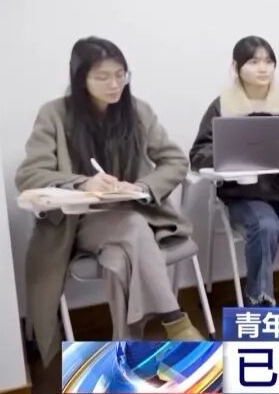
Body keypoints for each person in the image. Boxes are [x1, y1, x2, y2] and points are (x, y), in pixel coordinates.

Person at [16, 37, 203, 367]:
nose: (114, 84)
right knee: (132, 225)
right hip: (76, 224)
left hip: (129, 217)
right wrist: (83, 183)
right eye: (102, 76)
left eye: (120, 75)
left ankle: (125, 352)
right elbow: (30, 174)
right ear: (81, 79)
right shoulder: (54, 114)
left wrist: (142, 187)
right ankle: (176, 321)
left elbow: (175, 160)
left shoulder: (138, 111)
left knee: (117, 260)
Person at [189, 36, 279, 307]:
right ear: (236, 67)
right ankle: (259, 302)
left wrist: (278, 148)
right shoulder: (222, 106)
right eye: (253, 61)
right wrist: (236, 150)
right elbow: (198, 156)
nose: (263, 68)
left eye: (268, 61)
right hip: (245, 192)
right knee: (265, 227)